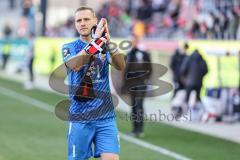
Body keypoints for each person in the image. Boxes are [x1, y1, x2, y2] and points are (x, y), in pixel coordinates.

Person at [62, 7, 125, 160]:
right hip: (80, 116)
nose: (82, 23)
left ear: (95, 21)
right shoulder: (69, 47)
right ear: (75, 24)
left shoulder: (106, 46)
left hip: (105, 116)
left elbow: (120, 65)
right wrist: (96, 42)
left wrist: (108, 42)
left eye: (86, 19)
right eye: (78, 20)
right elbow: (75, 65)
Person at [123, 34, 152, 138]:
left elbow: (149, 68)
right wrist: (125, 85)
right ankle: (135, 129)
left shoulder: (143, 53)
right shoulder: (129, 54)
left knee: (139, 105)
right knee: (134, 106)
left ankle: (140, 129)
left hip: (141, 84)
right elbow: (125, 71)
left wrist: (145, 79)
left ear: (137, 41)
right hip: (131, 84)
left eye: (134, 40)